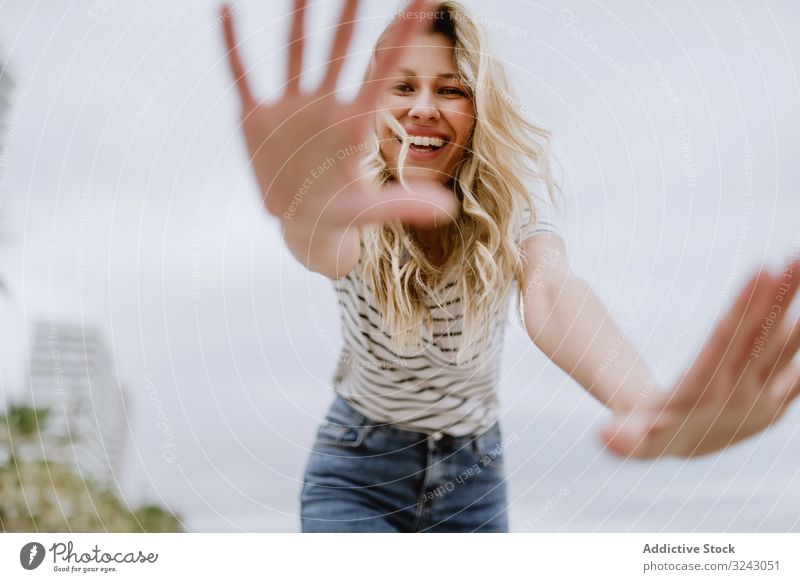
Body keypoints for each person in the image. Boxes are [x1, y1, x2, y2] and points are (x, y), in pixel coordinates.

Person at [221, 0, 800, 532]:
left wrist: (644, 403)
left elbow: (552, 294)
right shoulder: (355, 208)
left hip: (472, 477)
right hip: (357, 470)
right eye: (403, 86)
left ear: (478, 108)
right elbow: (321, 243)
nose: (423, 107)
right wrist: (302, 210)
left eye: (450, 89)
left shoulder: (510, 211)